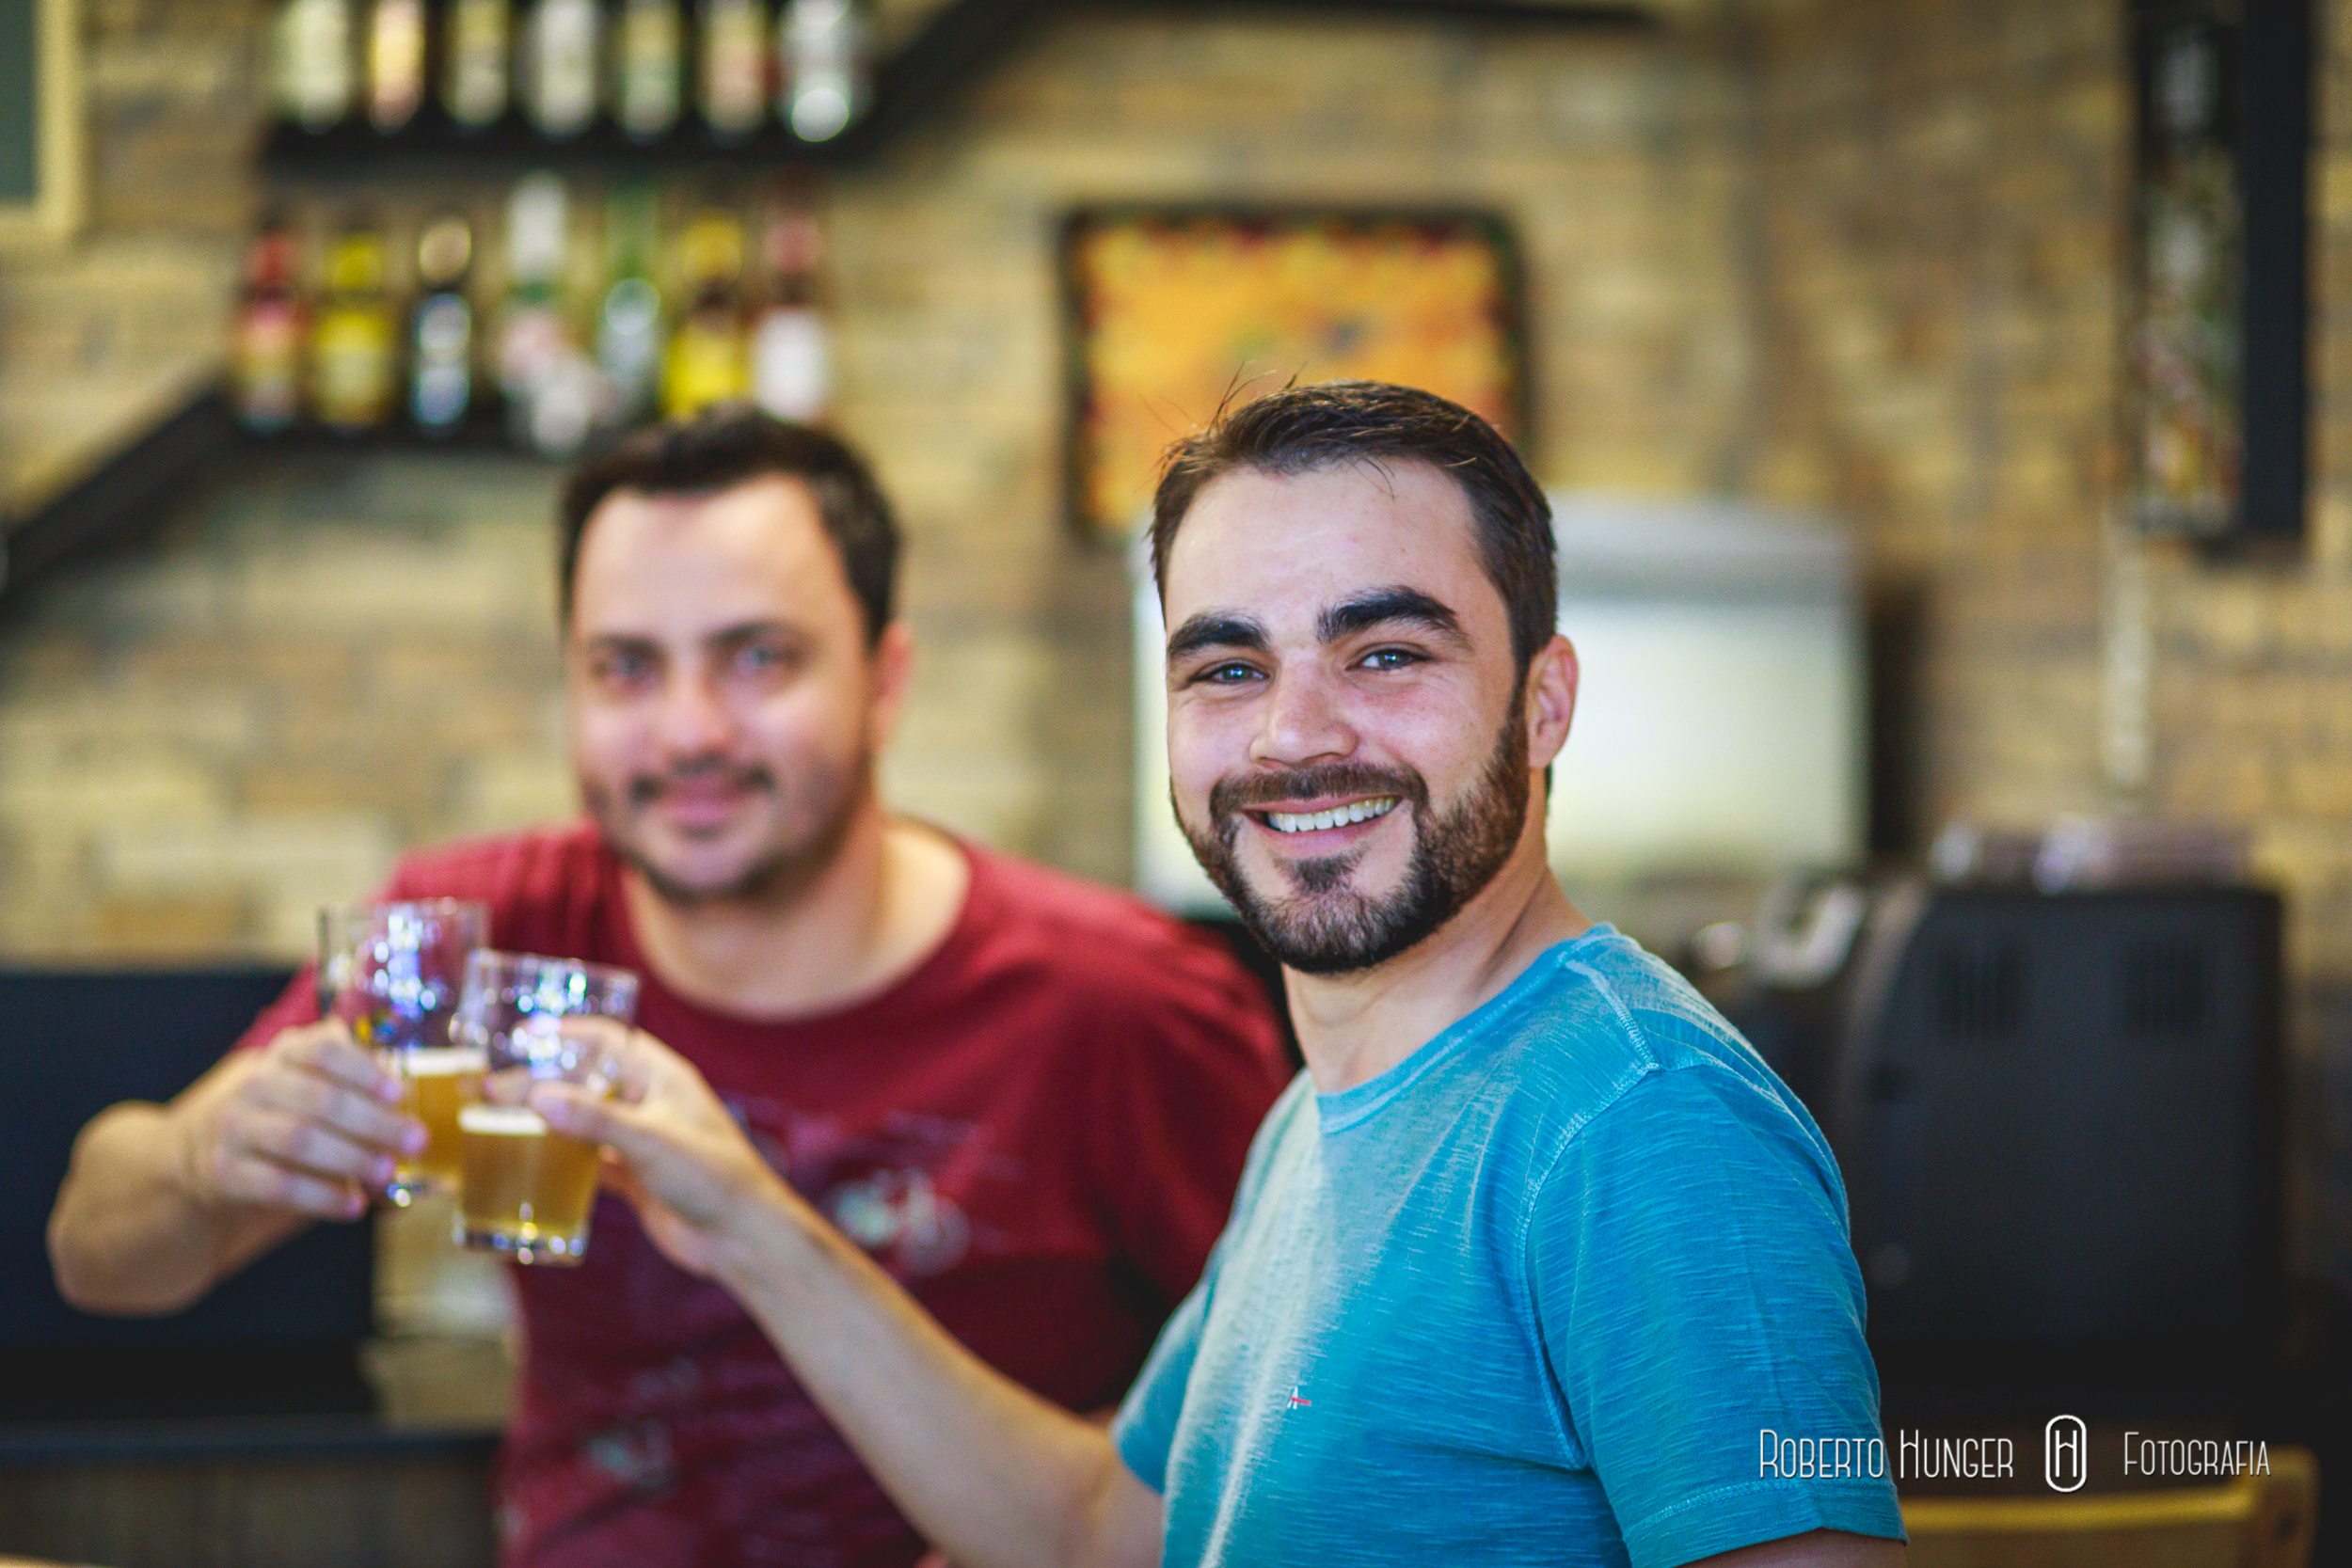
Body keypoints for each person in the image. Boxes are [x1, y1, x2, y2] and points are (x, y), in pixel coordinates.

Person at [526, 381, 1911, 1568]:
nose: (1294, 736)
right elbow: (1091, 1528)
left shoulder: (1644, 1123)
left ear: (1543, 702)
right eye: (1230, 668)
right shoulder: (1324, 1116)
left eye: (1385, 653)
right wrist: (744, 1219)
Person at [47, 410, 1291, 1568]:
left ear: (884, 680)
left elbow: (1286, 1432)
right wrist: (201, 1159)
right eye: (627, 668)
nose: (689, 731)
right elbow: (101, 1259)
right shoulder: (481, 933)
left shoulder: (1125, 1004)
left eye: (758, 658)